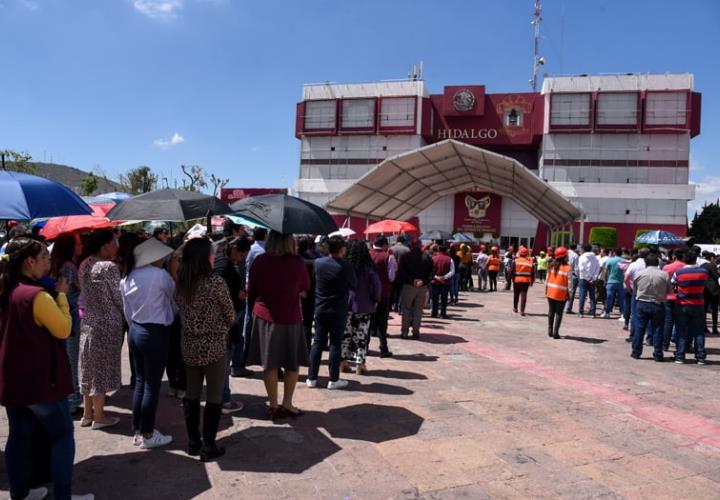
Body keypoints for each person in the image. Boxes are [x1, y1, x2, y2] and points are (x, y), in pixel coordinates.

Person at [0, 238, 95, 500]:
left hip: (14, 379)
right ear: (30, 262)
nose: (48, 261)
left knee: (18, 437)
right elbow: (64, 329)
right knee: (62, 435)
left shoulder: (8, 289)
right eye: (43, 256)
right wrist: (63, 296)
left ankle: (20, 492)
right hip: (40, 381)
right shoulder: (36, 296)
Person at [176, 238, 235, 461]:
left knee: (191, 393)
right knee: (214, 394)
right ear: (204, 257)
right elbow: (230, 314)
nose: (214, 256)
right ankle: (208, 444)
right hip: (214, 345)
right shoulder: (215, 282)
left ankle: (193, 441)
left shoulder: (182, 282)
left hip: (189, 345)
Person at [119, 237, 176, 449]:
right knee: (151, 385)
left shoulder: (128, 277)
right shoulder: (160, 276)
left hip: (135, 330)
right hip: (154, 332)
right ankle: (148, 433)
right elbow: (173, 294)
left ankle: (139, 429)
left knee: (142, 382)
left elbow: (127, 311)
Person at [246, 231, 310, 417]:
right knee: (292, 363)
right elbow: (305, 286)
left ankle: (273, 405)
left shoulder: (260, 261)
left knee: (269, 363)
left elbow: (252, 290)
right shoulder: (297, 262)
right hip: (290, 317)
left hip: (264, 316)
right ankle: (287, 403)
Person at [78, 229, 123, 430]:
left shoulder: (85, 263)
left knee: (88, 367)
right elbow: (118, 297)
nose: (117, 245)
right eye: (114, 241)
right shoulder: (108, 267)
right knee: (102, 370)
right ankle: (100, 416)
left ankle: (87, 413)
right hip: (106, 322)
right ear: (105, 245)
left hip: (89, 320)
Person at [308, 235, 356, 390]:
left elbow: (313, 281)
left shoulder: (318, 263)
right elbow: (354, 284)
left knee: (317, 342)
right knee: (335, 343)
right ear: (342, 248)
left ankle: (312, 377)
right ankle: (333, 379)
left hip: (321, 307)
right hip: (338, 309)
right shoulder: (346, 265)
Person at [215, 236, 251, 413]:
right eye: (243, 254)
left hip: (228, 316)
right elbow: (221, 293)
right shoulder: (223, 265)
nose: (243, 258)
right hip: (225, 319)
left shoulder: (225, 262)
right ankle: (224, 400)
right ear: (235, 248)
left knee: (223, 359)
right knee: (223, 359)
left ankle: (222, 397)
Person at [49, 233, 83, 414]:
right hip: (70, 313)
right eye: (78, 243)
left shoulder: (54, 264)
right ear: (70, 247)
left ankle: (67, 396)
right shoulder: (69, 266)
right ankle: (72, 399)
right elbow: (69, 289)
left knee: (64, 356)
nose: (81, 246)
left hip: (59, 313)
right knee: (72, 357)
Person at [342, 240, 381, 374]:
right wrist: (375, 299)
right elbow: (376, 286)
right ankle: (360, 363)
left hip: (346, 304)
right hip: (364, 304)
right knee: (362, 335)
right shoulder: (369, 267)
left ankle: (343, 362)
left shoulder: (346, 266)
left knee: (345, 334)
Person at [630, 254, 671, 362]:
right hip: (658, 304)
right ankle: (658, 354)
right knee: (658, 329)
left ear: (646, 263)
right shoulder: (664, 275)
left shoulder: (639, 274)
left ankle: (636, 352)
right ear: (658, 263)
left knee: (640, 328)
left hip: (642, 303)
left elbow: (635, 288)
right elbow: (669, 291)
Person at [672, 249, 709, 365]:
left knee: (681, 331)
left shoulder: (679, 273)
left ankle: (680, 356)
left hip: (682, 304)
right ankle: (700, 357)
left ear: (684, 259)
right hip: (698, 304)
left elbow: (672, 283)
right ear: (696, 259)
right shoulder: (703, 272)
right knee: (698, 332)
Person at [397, 240, 434, 339]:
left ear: (411, 246)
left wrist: (412, 280)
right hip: (422, 286)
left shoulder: (406, 256)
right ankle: (416, 331)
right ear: (420, 245)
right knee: (418, 310)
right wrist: (423, 281)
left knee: (406, 309)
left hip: (409, 285)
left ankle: (405, 332)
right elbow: (432, 272)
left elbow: (401, 271)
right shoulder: (427, 257)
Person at [368, 236, 395, 358]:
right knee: (382, 322)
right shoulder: (388, 257)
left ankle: (365, 346)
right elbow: (391, 277)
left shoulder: (366, 254)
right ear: (384, 245)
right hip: (383, 294)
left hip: (367, 294)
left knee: (367, 321)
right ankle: (383, 348)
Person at [662, 248, 686, 350]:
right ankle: (679, 344)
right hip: (682, 297)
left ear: (674, 256)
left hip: (668, 296)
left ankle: (665, 344)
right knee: (680, 321)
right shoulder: (686, 267)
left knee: (668, 321)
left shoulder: (667, 267)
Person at [546, 247, 570, 339]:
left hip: (551, 291)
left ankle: (550, 330)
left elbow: (547, 280)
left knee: (551, 311)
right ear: (564, 257)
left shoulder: (551, 265)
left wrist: (546, 290)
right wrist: (570, 294)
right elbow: (570, 284)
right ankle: (556, 332)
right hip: (561, 293)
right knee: (559, 313)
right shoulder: (568, 268)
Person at [430, 245, 454, 319]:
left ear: (438, 250)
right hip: (445, 282)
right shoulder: (450, 259)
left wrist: (436, 277)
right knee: (444, 298)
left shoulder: (433, 258)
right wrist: (444, 277)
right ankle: (443, 313)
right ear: (446, 250)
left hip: (435, 281)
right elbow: (452, 271)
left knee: (434, 298)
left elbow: (430, 271)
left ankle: (434, 313)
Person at [577, 244, 600, 318]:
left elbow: (581, 269)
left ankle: (581, 312)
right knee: (592, 296)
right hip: (592, 279)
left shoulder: (582, 257)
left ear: (583, 249)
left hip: (583, 278)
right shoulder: (595, 258)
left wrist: (587, 278)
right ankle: (593, 313)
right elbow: (597, 268)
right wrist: (593, 278)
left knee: (582, 296)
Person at [601, 248, 625, 319]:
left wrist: (605, 280)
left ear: (614, 253)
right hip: (621, 282)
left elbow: (605, 271)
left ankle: (607, 312)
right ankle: (622, 314)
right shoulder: (624, 261)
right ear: (622, 253)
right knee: (621, 299)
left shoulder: (610, 260)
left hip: (611, 281)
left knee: (609, 298)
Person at [510, 246, 534, 316]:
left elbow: (511, 271)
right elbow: (532, 273)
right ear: (526, 254)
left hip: (517, 280)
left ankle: (515, 308)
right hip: (526, 281)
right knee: (524, 295)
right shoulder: (530, 262)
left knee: (516, 294)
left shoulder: (516, 261)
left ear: (520, 254)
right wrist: (532, 282)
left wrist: (509, 279)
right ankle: (522, 311)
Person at [390, 235, 410, 311]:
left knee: (392, 291)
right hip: (403, 273)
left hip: (392, 273)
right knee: (401, 291)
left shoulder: (391, 249)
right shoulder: (407, 250)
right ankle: (398, 307)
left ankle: (390, 306)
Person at [701, 252, 719, 335]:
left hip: (704, 288)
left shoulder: (702, 266)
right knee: (714, 309)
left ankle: (704, 327)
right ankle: (714, 328)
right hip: (714, 289)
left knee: (704, 309)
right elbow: (716, 276)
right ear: (711, 258)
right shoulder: (712, 265)